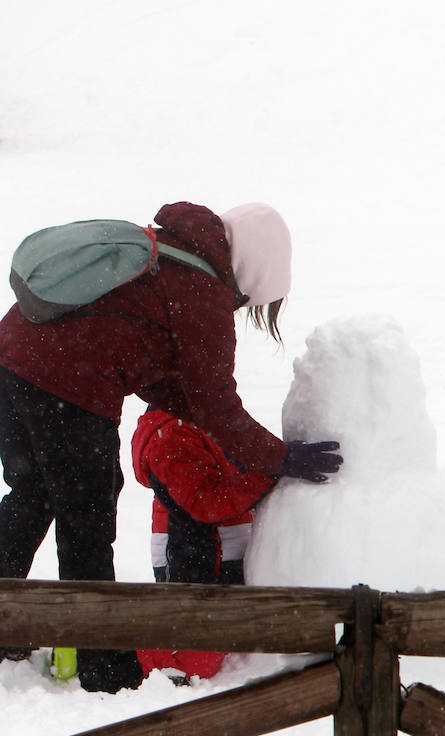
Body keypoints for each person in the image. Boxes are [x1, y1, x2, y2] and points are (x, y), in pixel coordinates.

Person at [0, 202, 343, 693]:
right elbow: (215, 401)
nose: (244, 309)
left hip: (12, 359)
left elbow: (164, 376)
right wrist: (279, 458)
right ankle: (100, 662)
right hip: (67, 383)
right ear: (256, 269)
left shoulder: (171, 252)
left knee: (32, 497)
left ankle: (9, 627)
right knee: (87, 518)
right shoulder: (201, 290)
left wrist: (236, 438)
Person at [131, 406, 276, 681]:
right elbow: (207, 504)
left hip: (221, 548)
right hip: (200, 555)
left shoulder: (203, 419)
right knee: (200, 654)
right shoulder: (174, 434)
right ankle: (107, 650)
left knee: (222, 637)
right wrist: (269, 473)